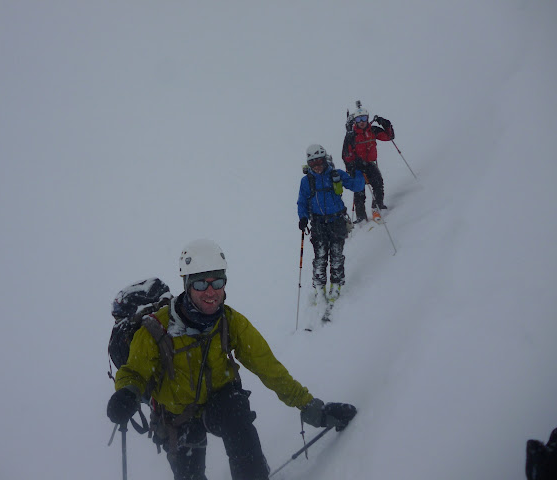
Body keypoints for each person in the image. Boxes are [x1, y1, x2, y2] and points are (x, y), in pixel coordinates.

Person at [106, 238, 357, 480]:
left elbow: (269, 368)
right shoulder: (154, 329)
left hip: (221, 402)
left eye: (218, 282)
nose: (211, 292)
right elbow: (134, 372)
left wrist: (311, 407)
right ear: (187, 284)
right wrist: (127, 392)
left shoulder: (230, 321)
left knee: (239, 423)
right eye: (201, 284)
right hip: (175, 417)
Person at [297, 144, 365, 302]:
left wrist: (358, 171)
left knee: (336, 255)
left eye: (319, 161)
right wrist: (302, 217)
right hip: (318, 224)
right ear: (308, 163)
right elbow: (302, 202)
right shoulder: (306, 181)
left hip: (337, 221)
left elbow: (357, 186)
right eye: (313, 163)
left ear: (325, 159)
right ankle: (319, 288)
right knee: (320, 257)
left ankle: (336, 285)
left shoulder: (336, 174)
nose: (317, 166)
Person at [342, 106, 395, 223]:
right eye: (358, 119)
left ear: (367, 118)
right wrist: (353, 165)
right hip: (357, 166)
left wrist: (386, 124)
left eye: (364, 118)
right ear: (355, 121)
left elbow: (389, 136)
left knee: (378, 182)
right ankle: (361, 216)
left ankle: (377, 206)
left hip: (369, 164)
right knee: (359, 189)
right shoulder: (351, 135)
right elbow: (346, 154)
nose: (361, 122)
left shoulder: (372, 130)